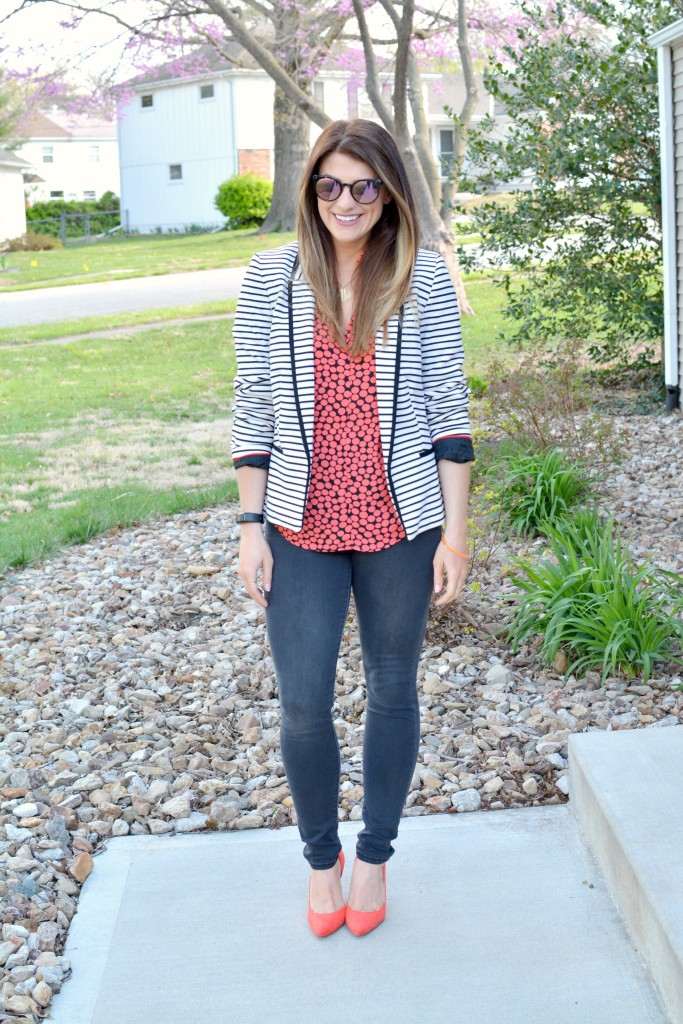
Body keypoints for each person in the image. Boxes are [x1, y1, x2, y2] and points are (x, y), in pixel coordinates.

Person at [231, 118, 474, 938]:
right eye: (329, 185)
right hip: (299, 522)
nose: (345, 201)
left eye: (363, 186)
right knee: (301, 702)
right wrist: (249, 525)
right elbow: (253, 407)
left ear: (389, 191)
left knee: (392, 688)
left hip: (399, 520)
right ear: (310, 192)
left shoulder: (420, 278)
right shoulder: (270, 280)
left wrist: (456, 534)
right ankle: (318, 858)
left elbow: (448, 409)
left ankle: (373, 855)